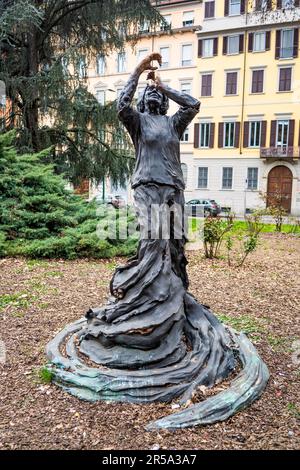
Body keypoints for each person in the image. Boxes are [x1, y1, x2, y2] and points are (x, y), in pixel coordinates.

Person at [113, 52, 200, 295]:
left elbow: (193, 104)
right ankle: (146, 294)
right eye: (149, 91)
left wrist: (164, 86)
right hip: (147, 186)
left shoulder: (174, 122)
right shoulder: (138, 122)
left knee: (175, 243)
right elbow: (121, 106)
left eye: (158, 93)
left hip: (173, 188)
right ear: (141, 99)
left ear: (164, 100)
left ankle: (175, 293)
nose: (153, 92)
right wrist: (138, 71)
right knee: (152, 239)